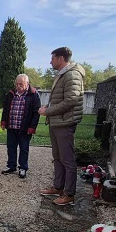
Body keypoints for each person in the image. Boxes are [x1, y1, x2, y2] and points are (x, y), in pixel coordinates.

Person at [38, 47, 86, 206]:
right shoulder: (63, 74)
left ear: (61, 58)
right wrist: (48, 108)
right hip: (57, 121)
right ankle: (58, 187)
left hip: (65, 122)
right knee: (58, 157)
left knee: (67, 159)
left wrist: (48, 111)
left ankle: (69, 194)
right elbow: (61, 99)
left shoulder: (72, 74)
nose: (50, 61)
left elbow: (71, 100)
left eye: (52, 58)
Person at [0, 74, 41, 179]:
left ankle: (23, 168)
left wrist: (32, 127)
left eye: (21, 84)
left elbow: (36, 113)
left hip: (25, 128)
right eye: (17, 84)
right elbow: (6, 109)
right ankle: (11, 166)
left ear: (27, 84)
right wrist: (3, 121)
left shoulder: (33, 94)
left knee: (24, 148)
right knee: (11, 147)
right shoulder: (11, 94)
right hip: (12, 126)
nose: (18, 86)